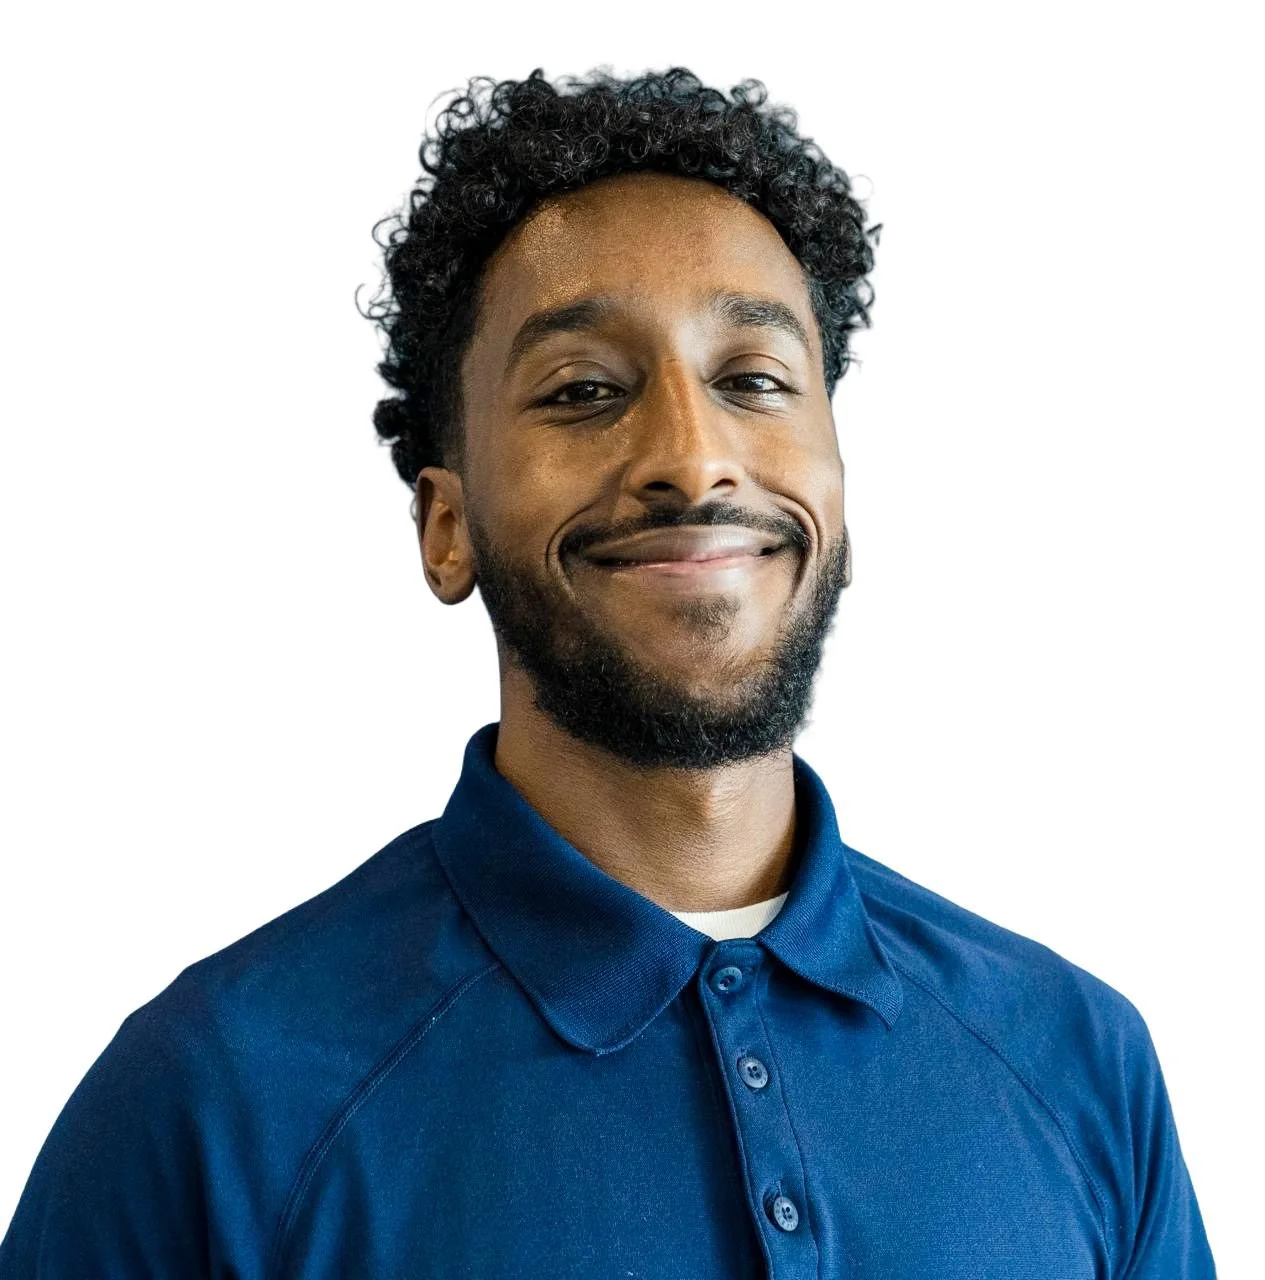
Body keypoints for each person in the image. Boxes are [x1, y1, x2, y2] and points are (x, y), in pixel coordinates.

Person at [0, 66, 1215, 1278]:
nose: (692, 458)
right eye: (583, 391)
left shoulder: (1075, 1058)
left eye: (752, 381)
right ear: (446, 525)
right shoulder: (216, 1102)